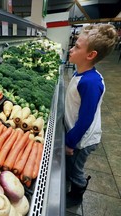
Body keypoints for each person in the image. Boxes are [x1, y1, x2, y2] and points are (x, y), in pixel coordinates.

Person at [65, 24, 118, 207]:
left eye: (77, 46)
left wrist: (70, 142)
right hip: (78, 133)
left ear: (90, 55)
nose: (71, 48)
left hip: (84, 139)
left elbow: (86, 119)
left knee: (75, 170)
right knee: (71, 166)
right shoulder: (81, 73)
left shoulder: (90, 83)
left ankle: (78, 192)